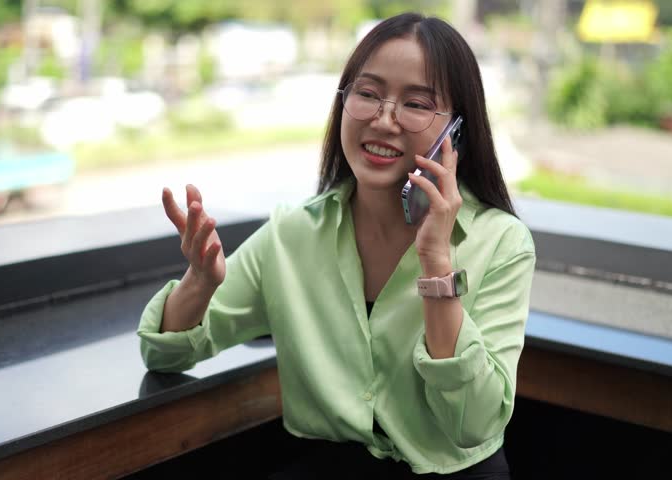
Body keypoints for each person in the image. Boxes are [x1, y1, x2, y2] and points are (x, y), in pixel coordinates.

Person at [138, 12, 535, 479]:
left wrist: (436, 263)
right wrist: (200, 283)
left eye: (416, 104)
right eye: (367, 94)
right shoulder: (292, 235)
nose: (385, 121)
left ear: (457, 133)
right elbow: (165, 354)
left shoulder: (501, 242)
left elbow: (475, 424)